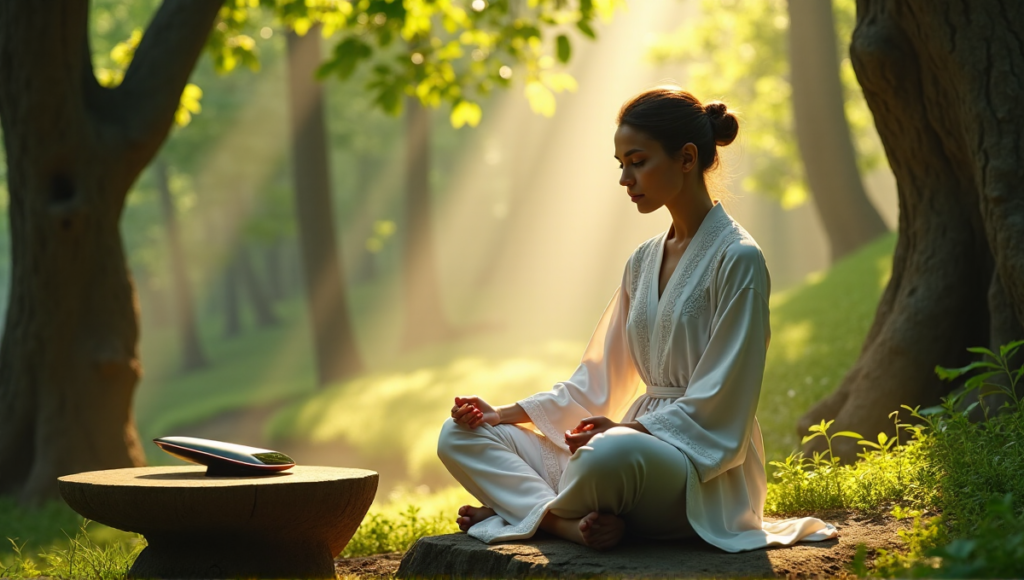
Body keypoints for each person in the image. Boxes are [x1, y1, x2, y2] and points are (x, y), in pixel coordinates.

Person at [436, 87, 839, 552]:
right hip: (624, 446)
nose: (625, 178)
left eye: (638, 161)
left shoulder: (739, 259)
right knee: (459, 436)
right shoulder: (643, 260)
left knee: (607, 457)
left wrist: (629, 430)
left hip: (696, 463)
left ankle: (523, 511)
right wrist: (502, 414)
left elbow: (723, 400)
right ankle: (561, 523)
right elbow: (596, 382)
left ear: (686, 158)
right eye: (620, 164)